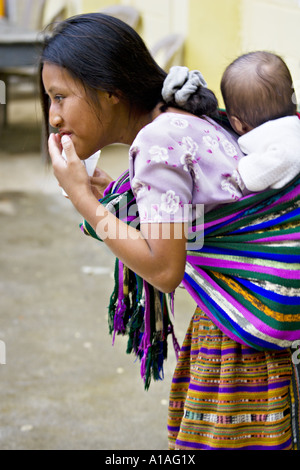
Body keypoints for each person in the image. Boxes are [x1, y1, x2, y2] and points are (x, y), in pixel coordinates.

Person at [39, 14, 299, 450]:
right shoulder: (180, 117)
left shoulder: (157, 144)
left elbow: (164, 267)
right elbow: (201, 220)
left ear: (110, 90)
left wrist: (84, 200)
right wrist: (110, 198)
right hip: (246, 322)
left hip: (236, 343)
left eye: (61, 97)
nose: (53, 117)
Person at [221, 51, 300, 192]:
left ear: (238, 124)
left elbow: (290, 157)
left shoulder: (287, 141)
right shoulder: (289, 127)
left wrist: (244, 170)